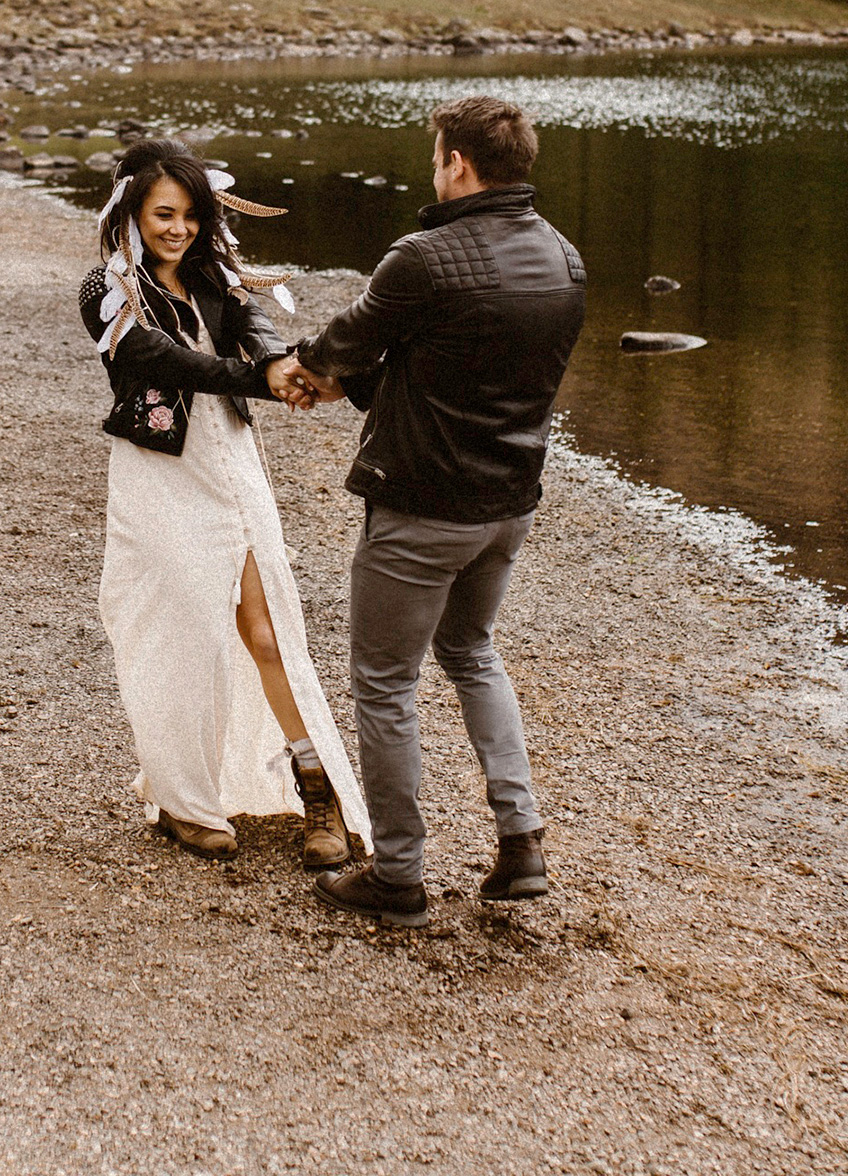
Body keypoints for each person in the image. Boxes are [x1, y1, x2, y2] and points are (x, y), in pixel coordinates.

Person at [283, 96, 586, 926]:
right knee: (473, 652)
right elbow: (448, 379)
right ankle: (522, 843)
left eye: (435, 157)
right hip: (507, 506)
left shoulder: (423, 256)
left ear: (457, 161)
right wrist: (356, 379)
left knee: (385, 684)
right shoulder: (564, 259)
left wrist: (308, 367)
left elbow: (346, 342)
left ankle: (399, 875)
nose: (433, 170)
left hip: (423, 509)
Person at [78, 137, 371, 871]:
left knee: (266, 632)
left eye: (190, 216)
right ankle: (184, 801)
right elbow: (158, 359)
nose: (177, 228)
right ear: (132, 215)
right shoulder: (103, 290)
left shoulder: (219, 275)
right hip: (159, 477)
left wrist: (278, 362)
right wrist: (259, 381)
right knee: (182, 634)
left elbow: (255, 329)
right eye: (163, 214)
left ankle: (319, 794)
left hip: (232, 469)